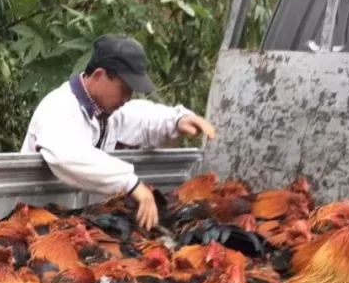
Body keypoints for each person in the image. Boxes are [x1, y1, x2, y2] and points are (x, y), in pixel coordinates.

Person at [21, 34, 216, 231]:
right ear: (99, 75)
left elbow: (143, 117)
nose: (127, 97)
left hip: (75, 222)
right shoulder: (60, 106)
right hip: (36, 223)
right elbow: (68, 154)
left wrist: (178, 120)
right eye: (124, 88)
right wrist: (132, 184)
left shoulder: (108, 111)